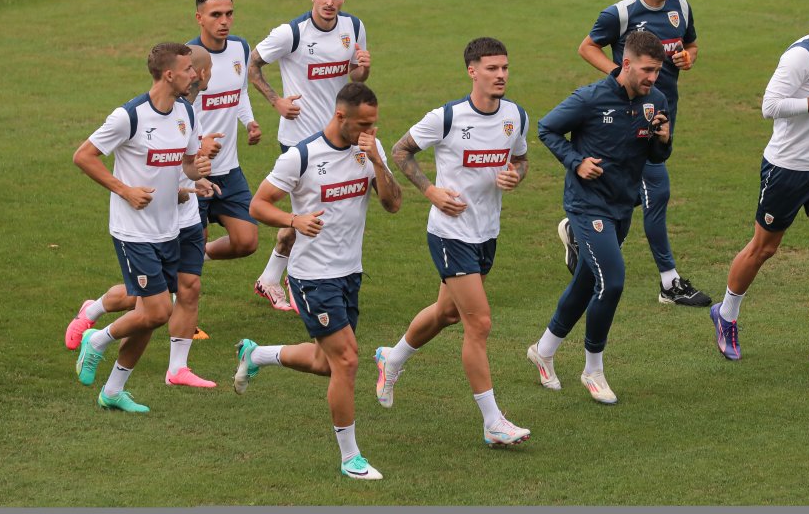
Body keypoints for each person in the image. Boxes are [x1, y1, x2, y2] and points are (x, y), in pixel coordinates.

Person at [234, 82, 401, 480]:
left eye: (373, 125)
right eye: (362, 124)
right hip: (312, 278)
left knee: (325, 363)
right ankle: (350, 458)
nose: (368, 131)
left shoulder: (368, 152)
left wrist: (376, 159)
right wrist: (294, 220)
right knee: (347, 360)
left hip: (350, 272)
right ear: (340, 116)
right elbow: (257, 204)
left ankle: (255, 355)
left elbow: (393, 204)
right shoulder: (302, 156)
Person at [374, 37, 531, 447]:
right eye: (492, 68)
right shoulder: (447, 117)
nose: (501, 76)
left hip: (486, 232)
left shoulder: (515, 116)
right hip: (450, 233)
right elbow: (402, 150)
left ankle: (391, 359)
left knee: (446, 313)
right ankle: (493, 422)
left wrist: (516, 174)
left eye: (505, 68)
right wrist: (431, 192)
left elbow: (520, 158)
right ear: (472, 71)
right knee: (478, 323)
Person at [710, 0, 809, 371]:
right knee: (764, 249)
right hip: (787, 170)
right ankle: (727, 314)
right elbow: (770, 105)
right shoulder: (801, 57)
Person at [527, 30, 672, 404]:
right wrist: (576, 162)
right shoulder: (589, 99)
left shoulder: (655, 100)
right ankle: (593, 370)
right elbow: (547, 127)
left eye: (657, 71)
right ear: (625, 63)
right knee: (613, 281)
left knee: (586, 282)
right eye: (646, 70)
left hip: (622, 206)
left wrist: (663, 140)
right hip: (587, 204)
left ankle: (543, 351)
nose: (652, 78)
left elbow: (656, 159)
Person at [562, 0, 710, 307]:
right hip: (629, 120)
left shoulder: (681, 6)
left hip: (663, 115)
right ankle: (669, 282)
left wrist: (687, 58)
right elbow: (587, 47)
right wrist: (618, 73)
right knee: (655, 193)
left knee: (627, 195)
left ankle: (580, 236)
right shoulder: (621, 14)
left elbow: (690, 44)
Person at [65, 46, 222, 388]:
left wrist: (200, 171)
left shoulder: (186, 113)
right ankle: (98, 339)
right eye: (187, 70)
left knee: (148, 316)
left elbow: (188, 165)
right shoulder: (130, 116)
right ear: (169, 75)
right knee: (156, 311)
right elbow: (84, 156)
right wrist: (124, 190)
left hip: (168, 229)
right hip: (132, 231)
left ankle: (114, 389)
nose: (194, 74)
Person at [248, 0, 370, 311]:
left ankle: (277, 278)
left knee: (321, 214)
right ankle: (291, 281)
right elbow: (252, 63)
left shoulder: (354, 27)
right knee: (311, 214)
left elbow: (355, 79)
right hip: (301, 141)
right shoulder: (292, 33)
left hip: (339, 138)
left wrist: (362, 66)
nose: (330, 2)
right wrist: (276, 102)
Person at [188, 0, 262, 266]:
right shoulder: (189, 58)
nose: (224, 21)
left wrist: (249, 121)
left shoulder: (239, 47)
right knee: (189, 261)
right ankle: (162, 302)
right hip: (195, 171)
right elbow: (177, 115)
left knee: (246, 241)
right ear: (199, 18)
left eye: (229, 14)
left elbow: (239, 91)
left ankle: (194, 260)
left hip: (229, 169)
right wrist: (199, 143)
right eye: (216, 15)